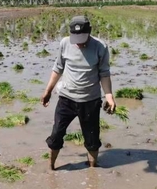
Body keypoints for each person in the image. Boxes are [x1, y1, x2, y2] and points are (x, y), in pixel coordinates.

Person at [41, 15, 116, 170]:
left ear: (89, 32)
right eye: (76, 38)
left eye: (82, 38)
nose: (79, 43)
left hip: (90, 100)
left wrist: (109, 96)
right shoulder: (64, 43)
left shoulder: (100, 47)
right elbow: (58, 68)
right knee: (56, 135)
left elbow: (104, 73)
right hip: (66, 99)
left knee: (92, 138)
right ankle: (51, 168)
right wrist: (48, 90)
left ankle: (93, 170)